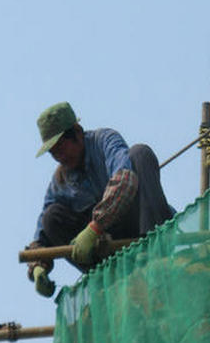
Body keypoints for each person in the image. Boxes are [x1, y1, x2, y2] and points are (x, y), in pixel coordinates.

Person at [26, 102, 174, 297]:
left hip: (138, 225)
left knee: (139, 154)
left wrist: (95, 227)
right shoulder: (60, 181)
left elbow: (126, 181)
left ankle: (155, 252)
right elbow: (41, 236)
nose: (59, 157)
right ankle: (109, 277)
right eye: (53, 153)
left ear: (77, 133)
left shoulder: (104, 141)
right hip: (107, 254)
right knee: (52, 217)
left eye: (61, 147)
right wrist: (38, 267)